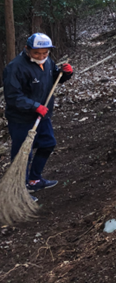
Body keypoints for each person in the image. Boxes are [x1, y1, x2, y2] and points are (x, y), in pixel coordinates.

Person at [2, 33, 74, 199]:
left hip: (43, 115)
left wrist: (65, 73)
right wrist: (34, 106)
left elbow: (54, 77)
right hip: (21, 118)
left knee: (48, 144)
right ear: (27, 49)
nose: (41, 56)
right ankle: (18, 190)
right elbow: (13, 97)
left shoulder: (47, 61)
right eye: (37, 53)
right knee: (23, 153)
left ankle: (34, 180)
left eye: (45, 53)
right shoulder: (15, 68)